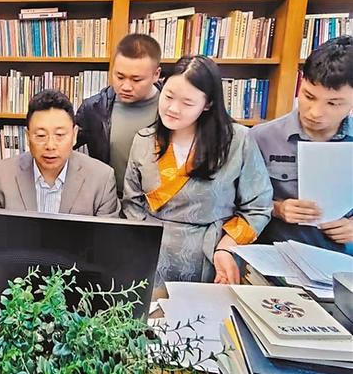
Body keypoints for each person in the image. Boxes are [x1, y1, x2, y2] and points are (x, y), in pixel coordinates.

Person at [122, 55, 272, 286]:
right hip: (150, 256)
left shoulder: (237, 141)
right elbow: (132, 204)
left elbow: (258, 207)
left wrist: (226, 247)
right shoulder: (144, 140)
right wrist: (140, 245)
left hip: (211, 257)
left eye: (187, 103)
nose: (173, 108)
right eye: (168, 96)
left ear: (208, 104)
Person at [251, 35, 353, 254]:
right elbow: (234, 204)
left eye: (333, 103)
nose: (315, 112)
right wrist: (277, 209)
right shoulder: (261, 138)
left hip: (342, 261)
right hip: (275, 256)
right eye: (308, 96)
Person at [0, 89, 119, 216]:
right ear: (27, 137)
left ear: (74, 135)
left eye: (59, 135)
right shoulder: (0, 176)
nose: (50, 146)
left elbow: (106, 234)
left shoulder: (101, 179)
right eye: (41, 135)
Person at [75, 33, 162, 196]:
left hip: (160, 201)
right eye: (119, 77)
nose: (126, 86)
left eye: (136, 80)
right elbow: (63, 145)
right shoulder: (94, 108)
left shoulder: (173, 108)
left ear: (156, 74)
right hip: (110, 199)